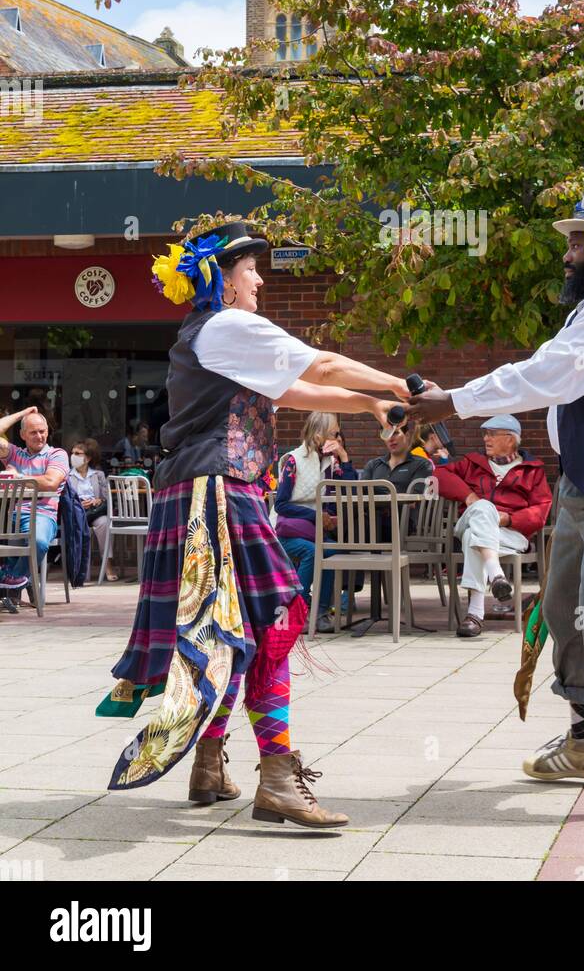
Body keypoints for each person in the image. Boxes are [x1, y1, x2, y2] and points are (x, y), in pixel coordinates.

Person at [100, 221, 412, 830]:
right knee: (277, 617)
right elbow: (319, 366)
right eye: (250, 270)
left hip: (207, 487)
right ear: (221, 277)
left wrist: (372, 403)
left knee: (232, 630)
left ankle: (211, 762)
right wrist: (396, 382)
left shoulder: (213, 338)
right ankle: (276, 776)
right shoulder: (227, 325)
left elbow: (295, 392)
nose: (261, 280)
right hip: (213, 489)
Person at [410, 185, 584, 828]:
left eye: (578, 239)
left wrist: (454, 401)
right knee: (565, 612)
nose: (566, 252)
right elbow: (554, 375)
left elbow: (549, 374)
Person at [432, 415, 552, 637]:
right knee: (483, 508)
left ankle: (475, 614)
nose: (486, 438)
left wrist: (507, 519)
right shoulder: (473, 463)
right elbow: (438, 474)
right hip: (473, 518)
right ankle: (496, 574)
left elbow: (541, 509)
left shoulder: (531, 471)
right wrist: (468, 497)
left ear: (510, 439)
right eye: (485, 434)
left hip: (510, 534)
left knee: (472, 538)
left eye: (492, 434)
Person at [274, 413, 357, 633]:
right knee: (313, 552)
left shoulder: (332, 462)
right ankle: (295, 610)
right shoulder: (293, 460)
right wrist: (315, 516)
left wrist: (345, 457)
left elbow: (350, 492)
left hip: (317, 532)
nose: (338, 438)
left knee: (330, 553)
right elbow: (280, 505)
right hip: (289, 532)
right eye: (334, 434)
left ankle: (320, 612)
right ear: (319, 435)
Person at [0, 407, 70, 593]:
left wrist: (18, 478)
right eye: (33, 432)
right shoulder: (15, 454)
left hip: (43, 515)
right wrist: (23, 414)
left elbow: (50, 482)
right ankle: (19, 580)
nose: (39, 436)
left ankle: (12, 580)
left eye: (42, 431)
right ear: (23, 434)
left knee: (38, 542)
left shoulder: (57, 454)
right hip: (13, 518)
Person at [69, 439, 114, 581]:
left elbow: (106, 497)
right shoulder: (67, 476)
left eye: (78, 453)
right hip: (77, 512)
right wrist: (78, 504)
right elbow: (63, 499)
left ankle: (108, 566)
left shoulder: (98, 475)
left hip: (94, 512)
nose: (73, 456)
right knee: (81, 528)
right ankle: (82, 571)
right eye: (72, 453)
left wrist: (98, 500)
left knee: (104, 523)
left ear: (87, 458)